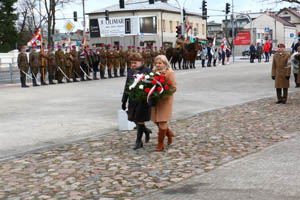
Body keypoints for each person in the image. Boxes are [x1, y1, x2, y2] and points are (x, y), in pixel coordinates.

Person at [121, 53, 152, 150]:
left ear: (141, 62)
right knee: (133, 118)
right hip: (132, 99)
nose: (133, 64)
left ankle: (138, 141)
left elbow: (151, 86)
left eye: (135, 62)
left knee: (140, 119)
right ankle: (146, 131)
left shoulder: (147, 71)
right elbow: (127, 85)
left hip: (143, 100)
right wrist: (124, 100)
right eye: (131, 63)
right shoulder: (130, 71)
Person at [151, 55, 177, 151]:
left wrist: (163, 95)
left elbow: (174, 87)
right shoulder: (154, 72)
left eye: (160, 63)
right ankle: (168, 133)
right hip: (155, 100)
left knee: (162, 121)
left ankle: (160, 144)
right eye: (156, 63)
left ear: (165, 63)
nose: (157, 65)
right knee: (155, 120)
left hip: (165, 101)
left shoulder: (169, 72)